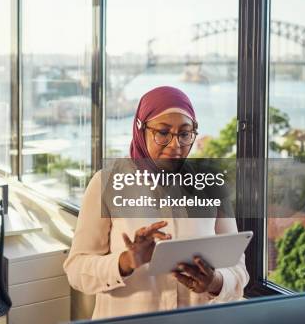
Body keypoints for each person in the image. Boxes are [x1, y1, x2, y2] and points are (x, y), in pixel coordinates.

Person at [63, 86, 249, 319]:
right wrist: (126, 262)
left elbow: (238, 268)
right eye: (162, 132)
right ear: (141, 130)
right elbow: (76, 270)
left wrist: (215, 282)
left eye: (184, 133)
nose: (175, 145)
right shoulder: (107, 183)